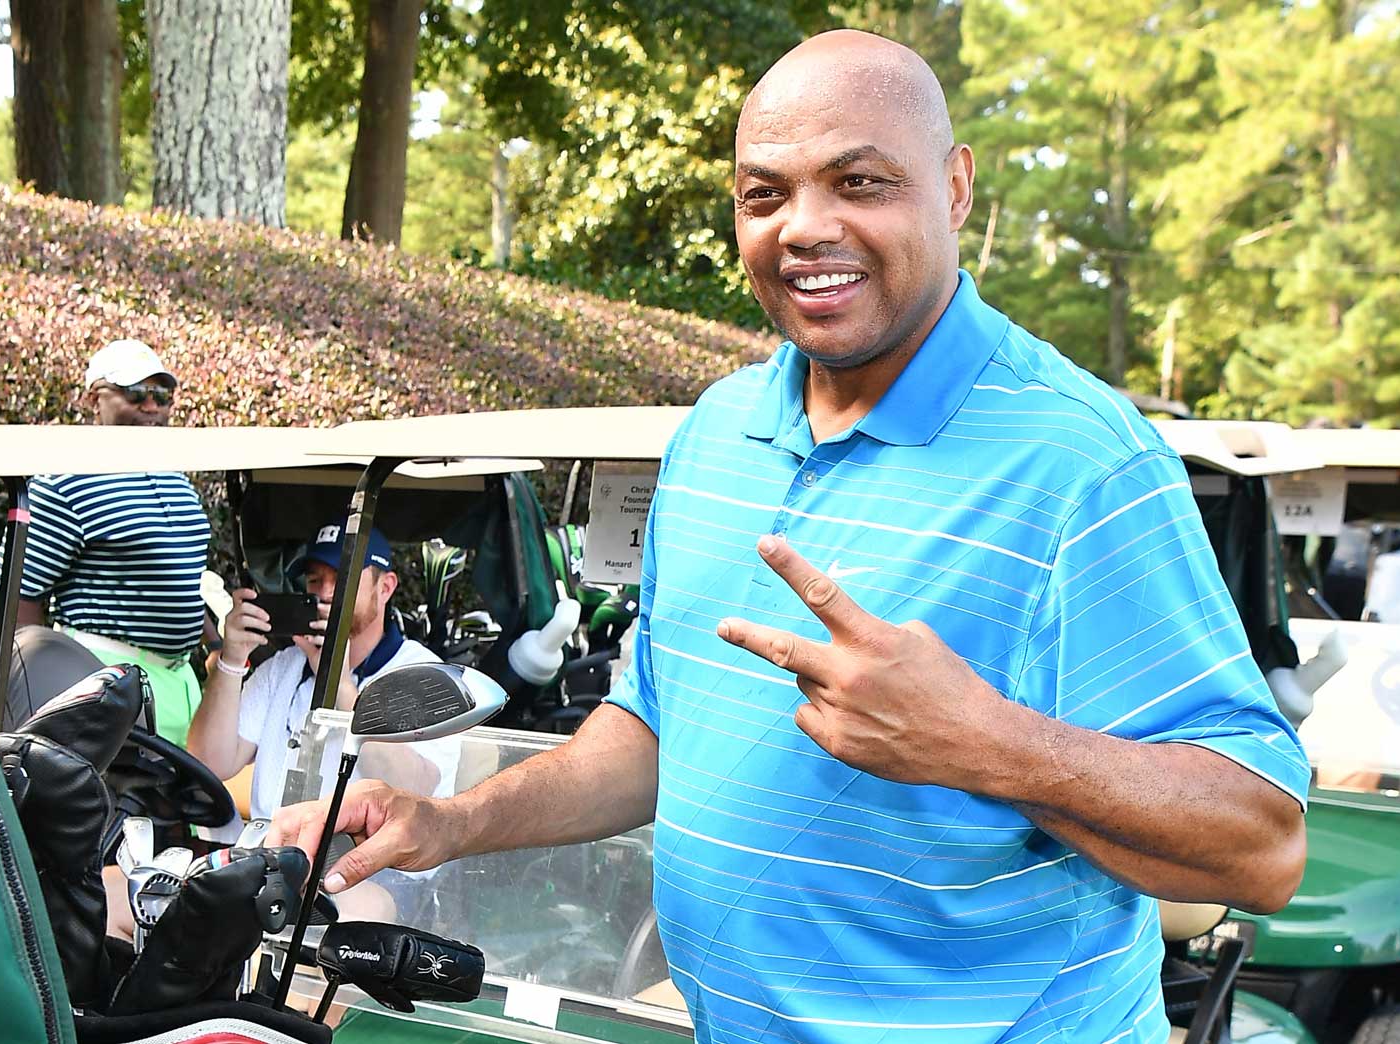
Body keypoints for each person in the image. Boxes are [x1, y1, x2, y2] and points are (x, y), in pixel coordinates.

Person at [273, 30, 1307, 1043]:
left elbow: (1261, 849)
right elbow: (655, 728)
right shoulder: (714, 435)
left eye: (859, 183)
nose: (804, 227)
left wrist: (985, 746)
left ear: (954, 189)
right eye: (763, 195)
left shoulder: (1083, 461)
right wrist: (452, 825)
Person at [0, 339, 211, 744]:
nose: (152, 406)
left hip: (180, 681)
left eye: (162, 394)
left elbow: (186, 577)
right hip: (105, 680)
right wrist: (35, 688)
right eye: (135, 393)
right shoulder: (65, 481)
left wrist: (217, 646)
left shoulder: (176, 477)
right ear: (94, 398)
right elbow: (18, 596)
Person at [187, 521, 454, 825]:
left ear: (385, 588)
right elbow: (209, 764)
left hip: (364, 853)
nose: (325, 593)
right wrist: (231, 661)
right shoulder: (283, 667)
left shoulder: (425, 674)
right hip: (270, 848)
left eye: (343, 578)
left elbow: (417, 790)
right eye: (314, 580)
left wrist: (341, 687)